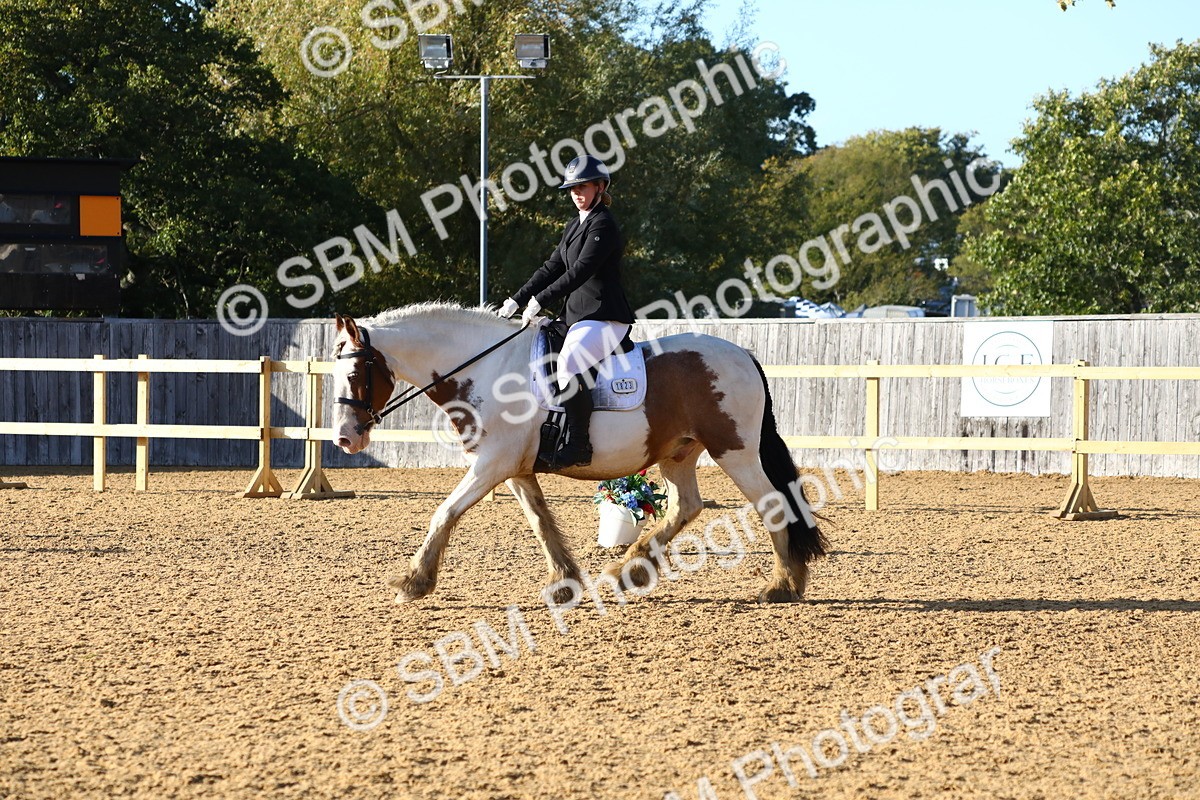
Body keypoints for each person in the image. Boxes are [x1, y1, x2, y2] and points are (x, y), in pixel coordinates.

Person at [498, 154, 635, 468]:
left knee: (569, 364)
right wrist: (518, 299)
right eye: (572, 188)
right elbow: (552, 267)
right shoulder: (576, 225)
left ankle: (579, 445)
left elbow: (581, 271)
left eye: (583, 187)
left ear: (600, 187)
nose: (577, 193)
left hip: (604, 316)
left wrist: (541, 300)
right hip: (576, 316)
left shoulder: (603, 224)